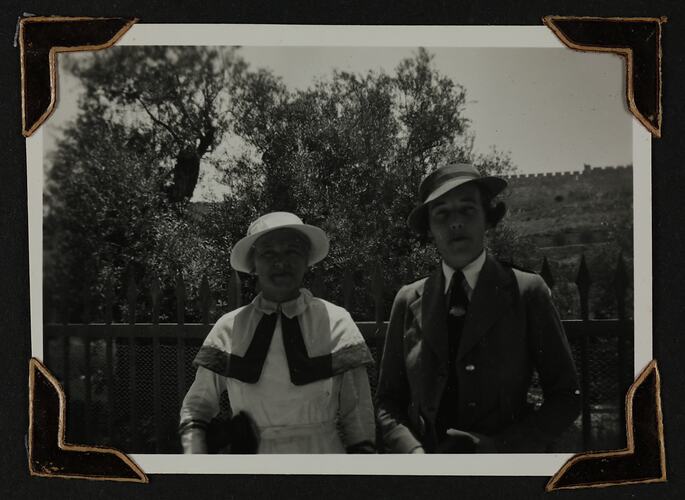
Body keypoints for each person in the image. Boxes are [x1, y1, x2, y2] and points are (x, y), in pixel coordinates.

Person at [376, 162, 581, 453]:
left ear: (487, 217)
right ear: (430, 228)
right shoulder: (408, 300)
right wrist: (413, 452)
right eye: (442, 213)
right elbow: (388, 402)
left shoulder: (526, 292)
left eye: (467, 209)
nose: (455, 222)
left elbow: (565, 397)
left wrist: (500, 448)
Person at [179, 212, 376, 454]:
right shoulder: (228, 327)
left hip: (320, 464)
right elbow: (196, 407)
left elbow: (357, 412)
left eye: (292, 251)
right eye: (268, 253)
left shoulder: (337, 321)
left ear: (306, 259)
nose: (280, 263)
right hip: (250, 470)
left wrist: (363, 474)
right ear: (254, 264)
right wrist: (194, 463)